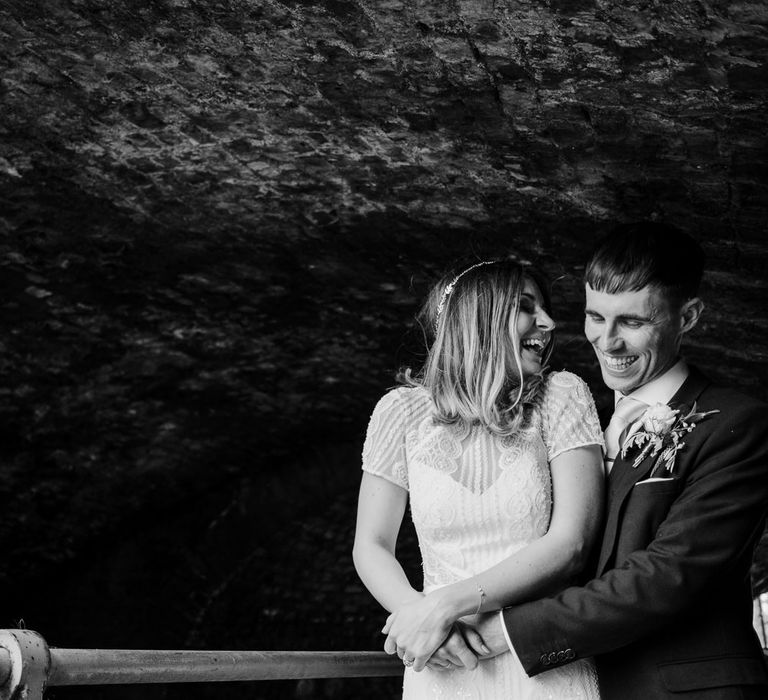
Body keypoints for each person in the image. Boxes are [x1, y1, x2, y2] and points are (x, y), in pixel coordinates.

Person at [390, 223, 768, 699]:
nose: (607, 342)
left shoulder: (736, 424)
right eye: (595, 316)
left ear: (687, 317)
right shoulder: (576, 427)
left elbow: (665, 577)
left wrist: (493, 634)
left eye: (632, 322)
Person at [353, 258, 606, 698]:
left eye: (544, 309)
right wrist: (419, 616)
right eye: (527, 306)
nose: (547, 323)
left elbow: (572, 544)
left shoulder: (562, 395)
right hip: (442, 664)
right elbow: (371, 545)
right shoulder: (399, 413)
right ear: (480, 315)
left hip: (541, 662)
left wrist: (444, 606)